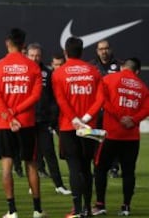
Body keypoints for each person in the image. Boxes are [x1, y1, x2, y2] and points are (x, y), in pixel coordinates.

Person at [0, 28, 46, 218]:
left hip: (5, 123)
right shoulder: (33, 67)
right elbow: (36, 96)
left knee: (7, 166)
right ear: (23, 45)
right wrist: (16, 113)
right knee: (31, 165)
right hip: (27, 122)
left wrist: (9, 115)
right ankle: (37, 210)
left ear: (7, 42)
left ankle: (12, 211)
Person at [52, 37, 104, 218]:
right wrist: (86, 118)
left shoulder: (58, 73)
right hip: (90, 127)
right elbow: (100, 99)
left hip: (68, 126)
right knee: (86, 168)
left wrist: (75, 119)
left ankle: (77, 209)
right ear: (82, 52)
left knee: (74, 168)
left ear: (66, 53)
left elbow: (61, 100)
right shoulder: (94, 71)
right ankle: (88, 209)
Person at [92, 57, 149, 216]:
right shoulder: (143, 88)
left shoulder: (109, 79)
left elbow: (103, 101)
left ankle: (100, 204)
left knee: (100, 169)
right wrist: (133, 119)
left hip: (111, 134)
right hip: (131, 137)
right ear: (137, 71)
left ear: (122, 67)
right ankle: (126, 207)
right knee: (129, 172)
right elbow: (147, 108)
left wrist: (119, 117)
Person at [27, 43, 71, 195]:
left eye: (37, 55)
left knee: (50, 153)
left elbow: (54, 98)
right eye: (32, 55)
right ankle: (32, 185)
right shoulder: (21, 71)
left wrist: (52, 118)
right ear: (27, 55)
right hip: (26, 120)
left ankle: (59, 185)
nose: (35, 58)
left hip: (43, 121)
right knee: (28, 155)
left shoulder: (48, 73)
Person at [90, 40, 121, 178]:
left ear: (110, 49)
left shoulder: (119, 65)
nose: (104, 51)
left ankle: (114, 167)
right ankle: (97, 166)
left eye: (106, 48)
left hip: (112, 110)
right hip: (96, 110)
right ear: (97, 51)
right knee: (96, 138)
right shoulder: (91, 66)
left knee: (113, 139)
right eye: (101, 49)